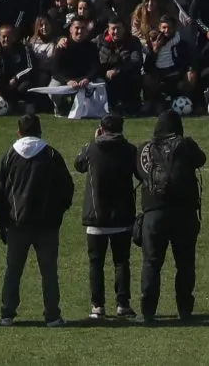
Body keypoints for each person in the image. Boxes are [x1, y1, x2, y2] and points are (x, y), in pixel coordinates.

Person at [0, 112, 74, 327]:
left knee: (13, 270)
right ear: (40, 130)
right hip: (47, 226)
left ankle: (7, 313)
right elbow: (67, 188)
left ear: (19, 132)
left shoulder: (10, 155)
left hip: (17, 224)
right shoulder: (51, 154)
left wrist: (1, 222)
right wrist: (57, 215)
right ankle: (52, 315)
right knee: (49, 272)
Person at [134, 107, 206, 323]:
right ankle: (184, 310)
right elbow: (201, 159)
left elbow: (139, 172)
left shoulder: (145, 149)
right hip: (184, 212)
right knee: (185, 264)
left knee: (151, 263)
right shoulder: (186, 145)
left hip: (154, 213)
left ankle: (148, 312)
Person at [73, 113, 139, 322]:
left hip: (96, 216)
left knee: (96, 263)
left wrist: (93, 140)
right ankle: (123, 304)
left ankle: (97, 306)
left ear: (101, 129)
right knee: (122, 262)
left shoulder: (92, 149)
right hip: (122, 216)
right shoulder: (129, 150)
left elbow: (78, 165)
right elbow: (140, 174)